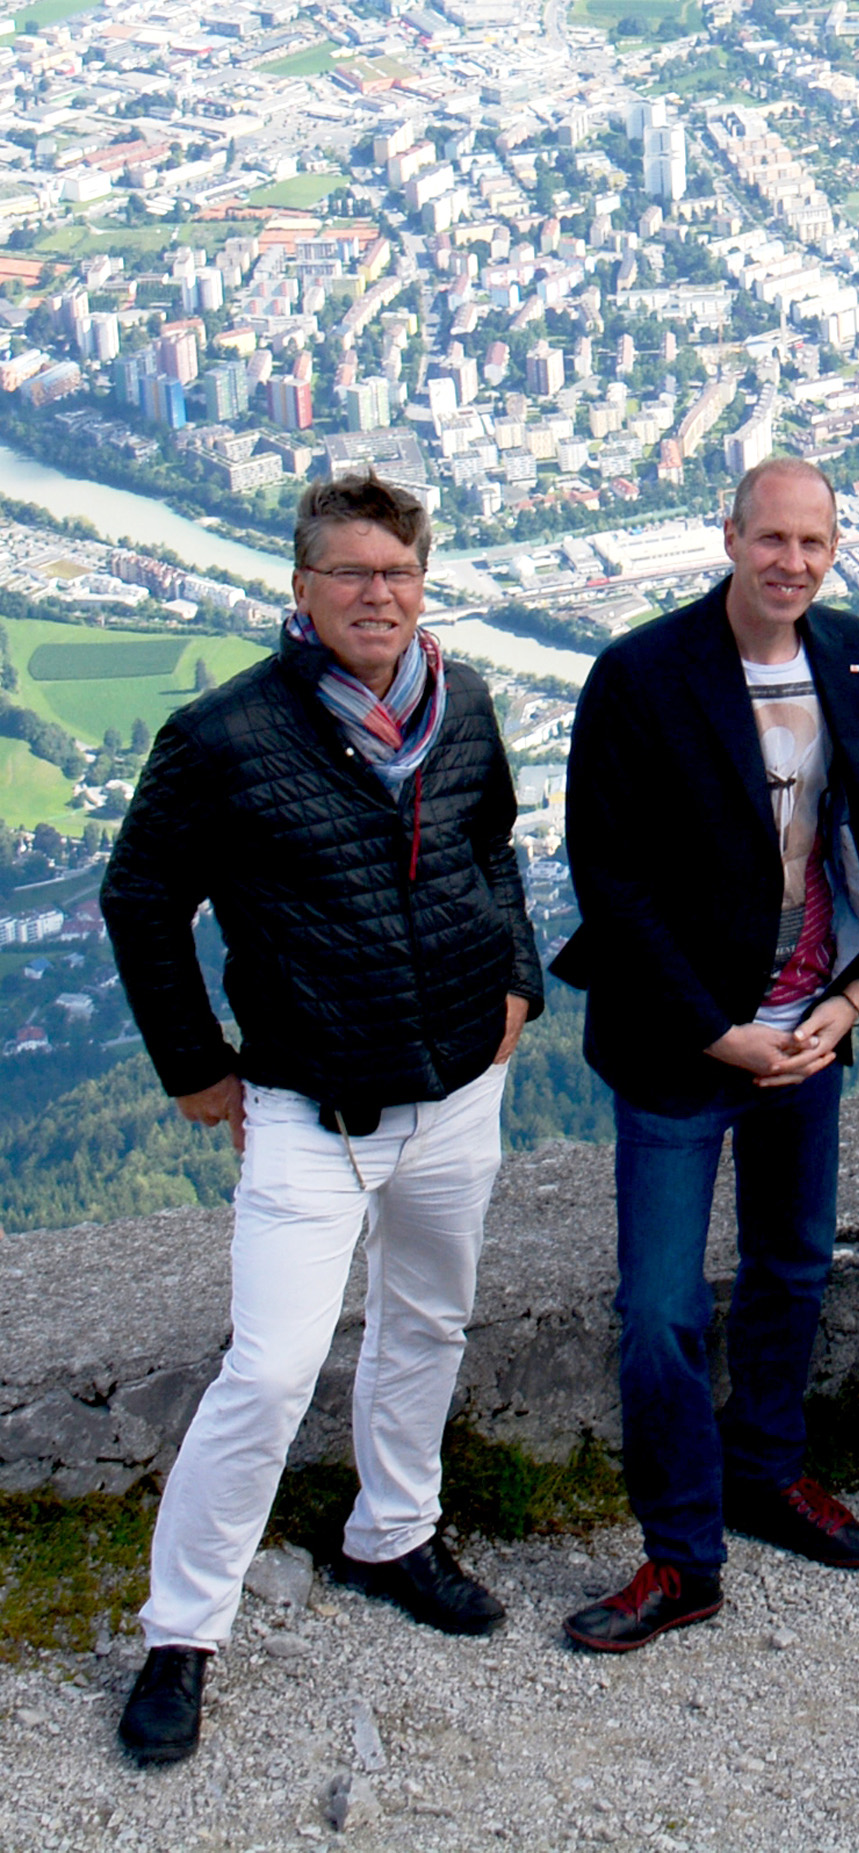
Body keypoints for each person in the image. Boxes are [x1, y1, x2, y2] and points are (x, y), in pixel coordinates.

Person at [102, 473, 540, 1764]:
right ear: (300, 590)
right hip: (308, 1106)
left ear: (422, 581)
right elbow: (141, 898)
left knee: (429, 1317)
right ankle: (182, 1633)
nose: (378, 595)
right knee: (274, 1367)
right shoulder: (224, 734)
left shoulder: (460, 705)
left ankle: (393, 1533)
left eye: (397, 573)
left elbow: (498, 844)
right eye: (350, 574)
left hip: (459, 1086)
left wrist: (515, 973)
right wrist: (196, 1066)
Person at [554, 457, 859, 1652]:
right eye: (772, 539)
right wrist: (715, 1030)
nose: (791, 562)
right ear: (730, 535)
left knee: (793, 1269)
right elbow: (611, 878)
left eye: (814, 541)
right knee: (657, 1308)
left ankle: (766, 1468)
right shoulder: (643, 673)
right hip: (685, 1042)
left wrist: (853, 1000)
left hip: (809, 1029)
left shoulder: (853, 653)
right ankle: (681, 1553)